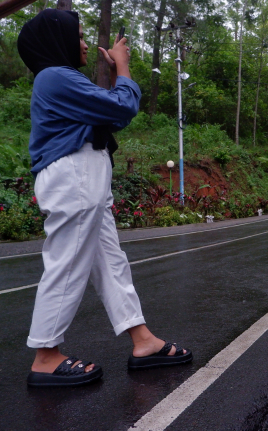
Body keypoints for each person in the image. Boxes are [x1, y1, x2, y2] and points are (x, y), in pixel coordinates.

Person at [18, 9, 192, 387]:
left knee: (111, 262)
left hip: (85, 176)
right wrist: (124, 69)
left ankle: (142, 340)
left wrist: (117, 77)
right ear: (57, 41)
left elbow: (112, 116)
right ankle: (46, 355)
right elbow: (123, 106)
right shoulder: (55, 78)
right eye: (78, 36)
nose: (84, 43)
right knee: (66, 263)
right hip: (74, 177)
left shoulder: (61, 81)